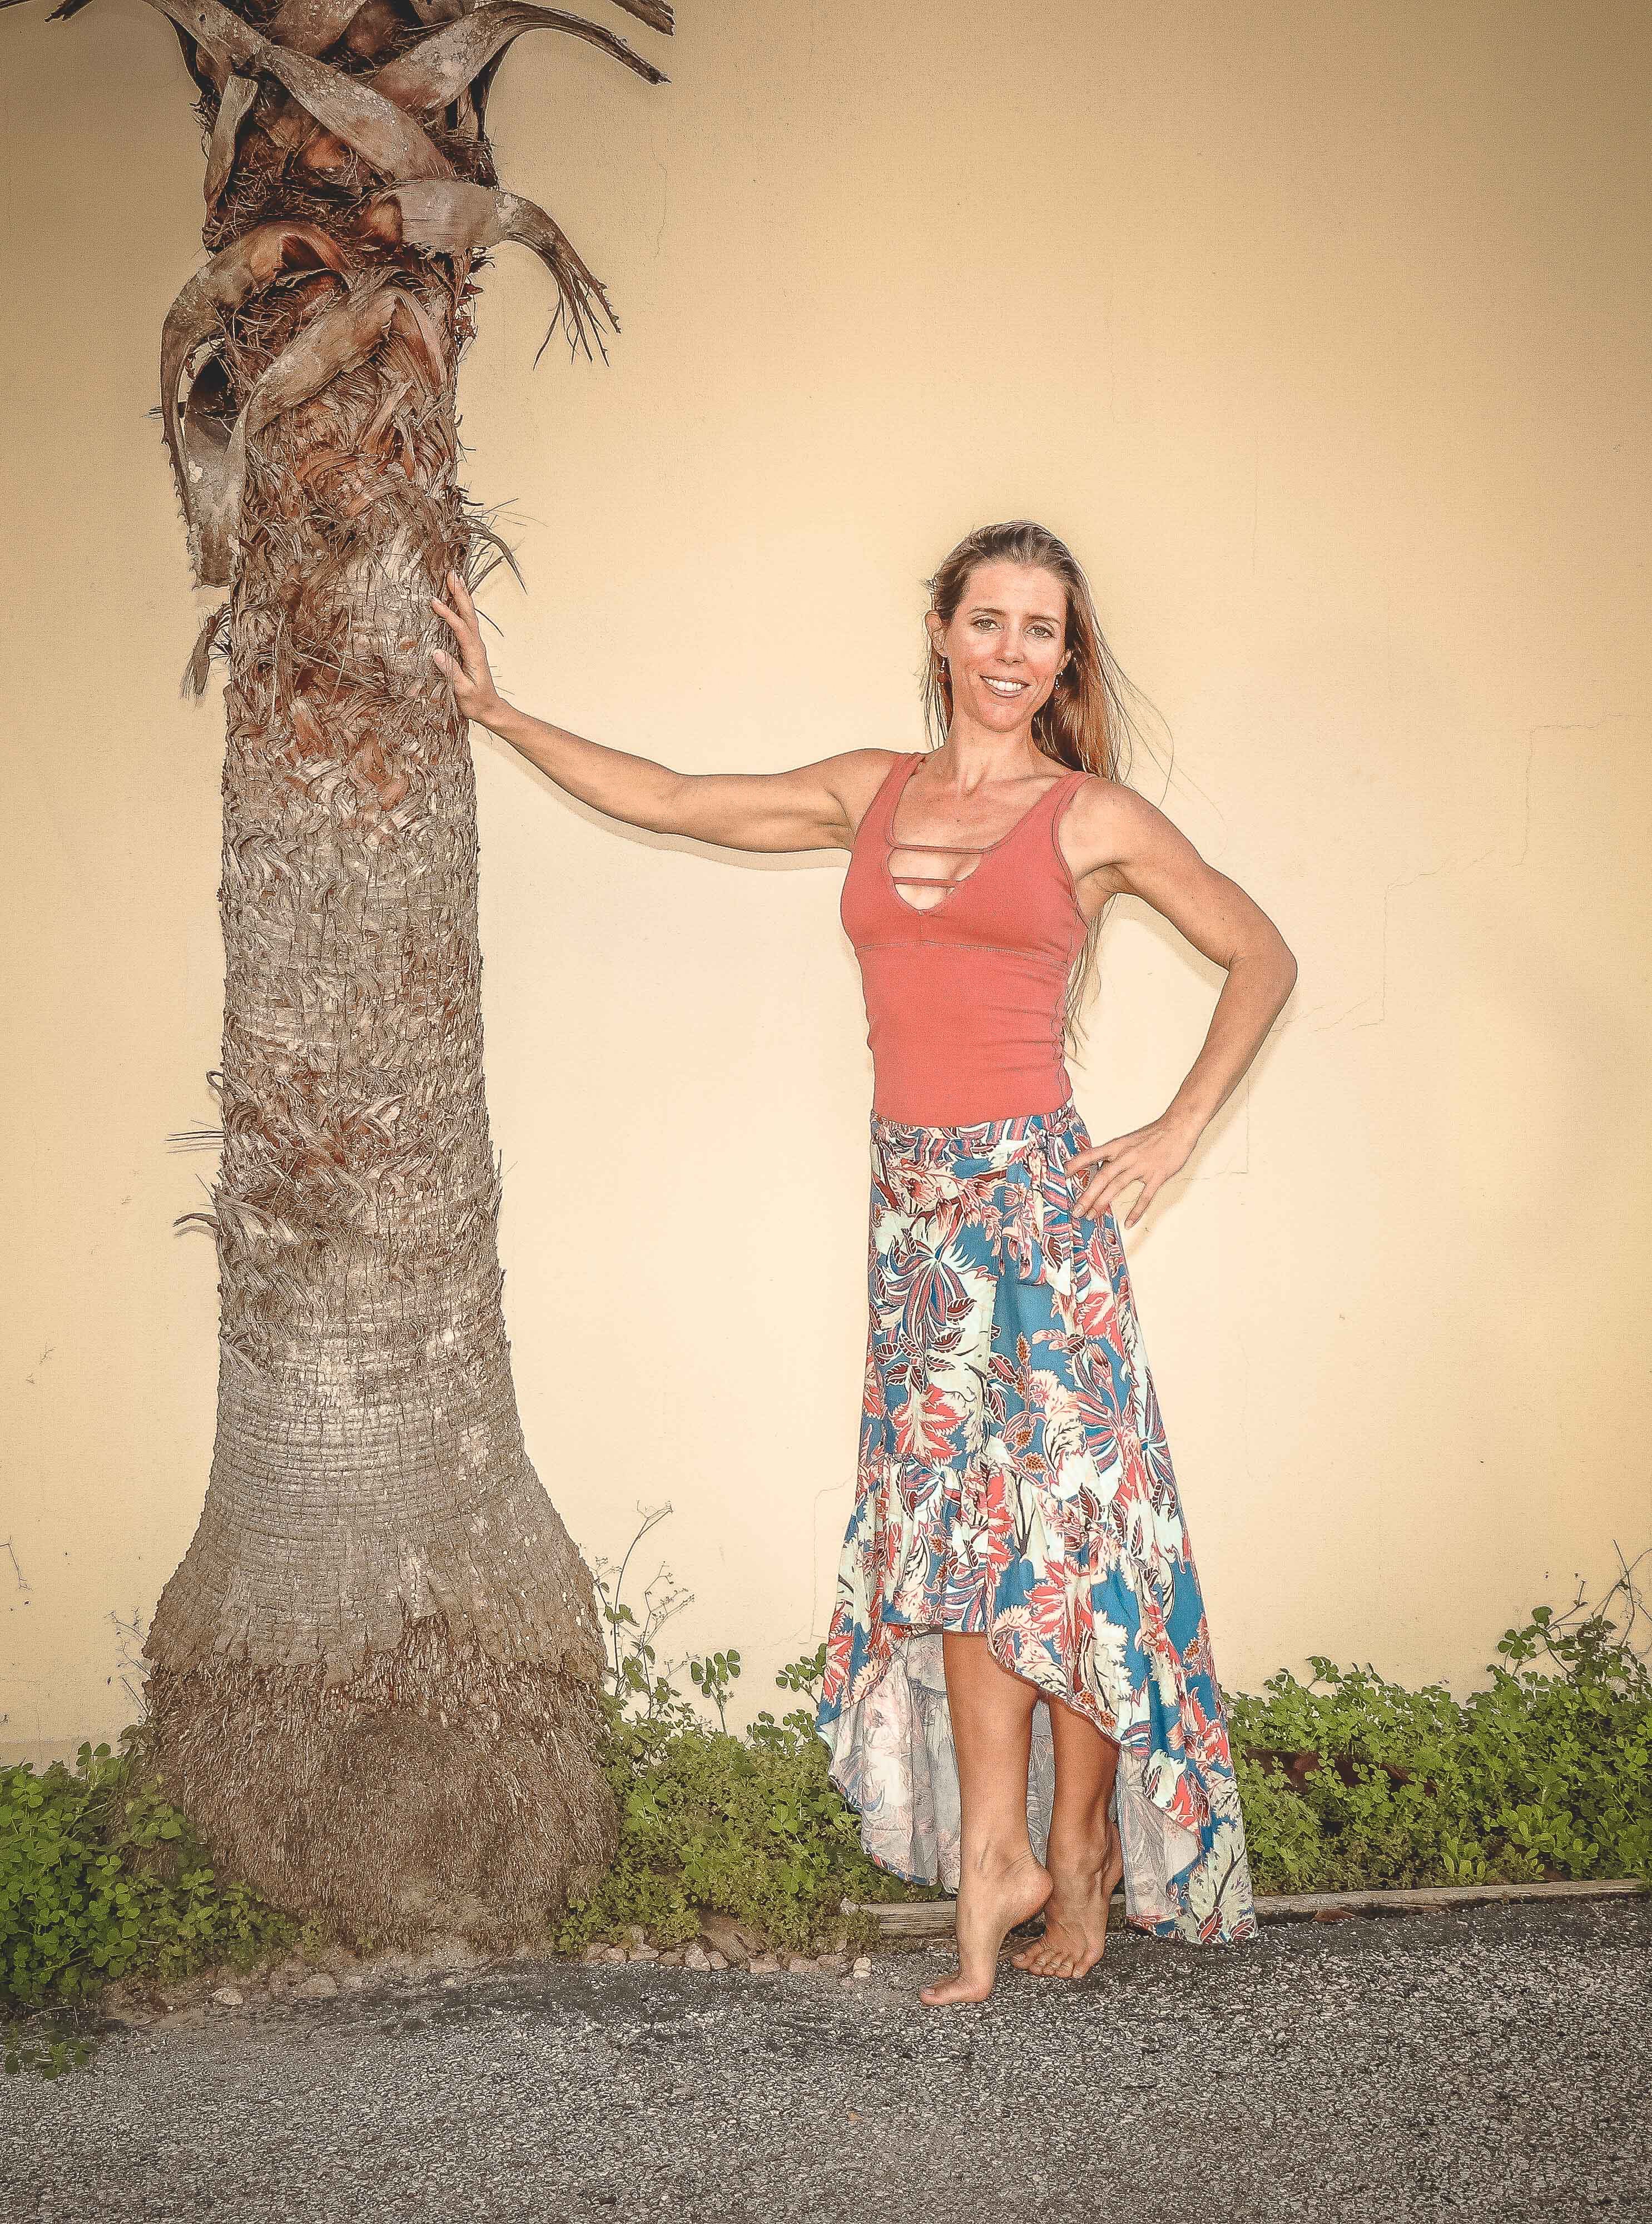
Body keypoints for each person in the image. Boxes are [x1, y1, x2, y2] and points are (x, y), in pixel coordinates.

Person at [430, 518, 1297, 2007]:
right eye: (990, 621)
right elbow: (683, 799)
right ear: (945, 636)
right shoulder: (867, 790)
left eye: (1041, 629)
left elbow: (1260, 952)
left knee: (1070, 1538)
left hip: (1034, 1211)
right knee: (965, 1542)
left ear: (1061, 657)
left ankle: (1072, 1851)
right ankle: (998, 1861)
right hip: (912, 1223)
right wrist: (501, 715)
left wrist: (1173, 1128)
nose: (1013, 651)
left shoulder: (1092, 818)